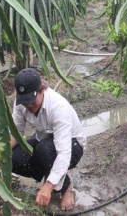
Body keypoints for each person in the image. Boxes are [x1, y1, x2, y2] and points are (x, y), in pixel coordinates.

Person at [10, 68, 87, 211]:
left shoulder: (58, 107)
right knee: (14, 158)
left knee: (44, 149)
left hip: (72, 145)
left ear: (42, 89)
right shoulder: (20, 104)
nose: (29, 106)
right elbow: (15, 133)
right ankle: (49, 174)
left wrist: (48, 186)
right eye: (25, 102)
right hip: (44, 140)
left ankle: (66, 188)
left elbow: (64, 153)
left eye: (32, 101)